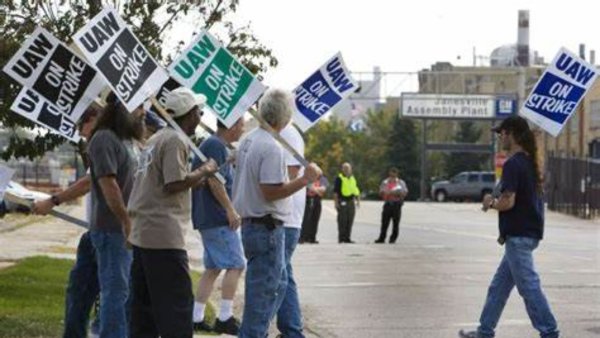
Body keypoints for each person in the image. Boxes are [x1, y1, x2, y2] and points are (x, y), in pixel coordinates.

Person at [127, 87, 217, 338]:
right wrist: (205, 170)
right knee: (176, 307)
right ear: (189, 114)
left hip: (143, 233)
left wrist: (194, 180)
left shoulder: (156, 139)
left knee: (144, 309)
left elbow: (162, 182)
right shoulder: (176, 140)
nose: (200, 116)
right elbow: (173, 183)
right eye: (198, 111)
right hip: (163, 236)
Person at [459, 116, 559, 338]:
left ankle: (550, 332)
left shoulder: (513, 164)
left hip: (519, 235)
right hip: (526, 233)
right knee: (499, 287)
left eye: (501, 133)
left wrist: (491, 203)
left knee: (528, 287)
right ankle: (484, 331)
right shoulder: (528, 161)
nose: (499, 137)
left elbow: (508, 202)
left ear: (511, 133)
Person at [233, 88, 321, 338]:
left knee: (272, 286)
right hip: (266, 226)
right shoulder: (270, 147)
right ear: (284, 118)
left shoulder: (249, 139)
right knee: (264, 296)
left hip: (253, 225)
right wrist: (306, 179)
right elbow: (270, 191)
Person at [33, 105, 102, 338]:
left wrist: (53, 200)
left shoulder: (105, 142)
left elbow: (88, 182)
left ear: (93, 119)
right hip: (95, 232)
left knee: (94, 293)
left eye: (81, 125)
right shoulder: (103, 144)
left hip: (105, 234)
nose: (80, 132)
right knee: (81, 292)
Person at [87, 93, 145, 338]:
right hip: (113, 230)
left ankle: (106, 331)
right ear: (123, 109)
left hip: (126, 229)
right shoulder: (103, 139)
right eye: (139, 107)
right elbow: (109, 184)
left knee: (123, 292)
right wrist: (125, 220)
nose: (143, 112)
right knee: (115, 292)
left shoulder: (126, 141)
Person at [191, 118, 245, 335]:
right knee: (237, 264)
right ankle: (225, 317)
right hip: (217, 217)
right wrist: (230, 210)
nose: (243, 128)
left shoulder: (216, 145)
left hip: (208, 217)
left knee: (213, 268)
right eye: (241, 124)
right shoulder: (215, 144)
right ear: (231, 126)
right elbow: (214, 181)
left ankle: (196, 317)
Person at [276, 122, 307, 338]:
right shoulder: (278, 132)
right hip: (283, 216)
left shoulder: (287, 133)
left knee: (276, 276)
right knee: (282, 273)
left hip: (285, 216)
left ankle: (291, 331)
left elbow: (292, 171)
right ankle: (291, 329)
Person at [375, 167, 408, 244]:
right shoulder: (385, 182)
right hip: (387, 204)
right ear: (389, 173)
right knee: (384, 222)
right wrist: (384, 192)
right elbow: (380, 192)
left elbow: (404, 193)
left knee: (396, 223)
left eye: (394, 173)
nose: (392, 175)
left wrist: (395, 193)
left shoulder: (401, 182)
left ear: (397, 174)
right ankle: (381, 238)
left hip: (396, 204)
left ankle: (393, 238)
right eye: (391, 173)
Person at [333, 162, 360, 243]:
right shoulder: (339, 178)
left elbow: (356, 190)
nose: (346, 170)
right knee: (342, 220)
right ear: (342, 169)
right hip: (342, 201)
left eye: (348, 168)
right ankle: (341, 238)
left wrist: (358, 201)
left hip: (351, 201)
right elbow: (335, 192)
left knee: (350, 220)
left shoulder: (352, 178)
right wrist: (336, 203)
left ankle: (348, 238)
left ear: (351, 169)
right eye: (345, 168)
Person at [299, 174, 328, 244]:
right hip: (308, 199)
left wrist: (315, 189)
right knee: (306, 218)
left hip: (317, 199)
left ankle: (312, 237)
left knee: (315, 218)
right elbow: (309, 187)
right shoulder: (308, 176)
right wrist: (318, 191)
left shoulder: (323, 178)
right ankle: (302, 237)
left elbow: (323, 188)